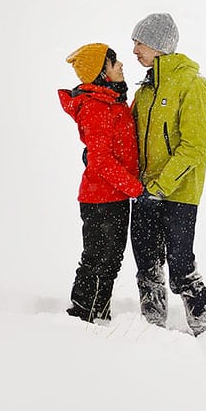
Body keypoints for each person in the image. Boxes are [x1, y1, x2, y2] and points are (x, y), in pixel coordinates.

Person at [129, 13, 206, 335]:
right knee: (147, 266)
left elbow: (194, 148)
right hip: (145, 190)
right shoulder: (146, 89)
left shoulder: (193, 85)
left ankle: (204, 326)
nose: (135, 50)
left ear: (158, 45)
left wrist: (161, 186)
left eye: (139, 43)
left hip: (178, 193)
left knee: (180, 264)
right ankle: (151, 329)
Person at [58, 43, 144, 323]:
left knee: (110, 262)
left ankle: (98, 314)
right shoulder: (96, 106)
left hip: (115, 197)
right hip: (100, 200)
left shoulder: (111, 102)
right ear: (101, 73)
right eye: (113, 62)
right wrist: (136, 189)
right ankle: (82, 314)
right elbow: (100, 160)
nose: (120, 65)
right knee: (98, 260)